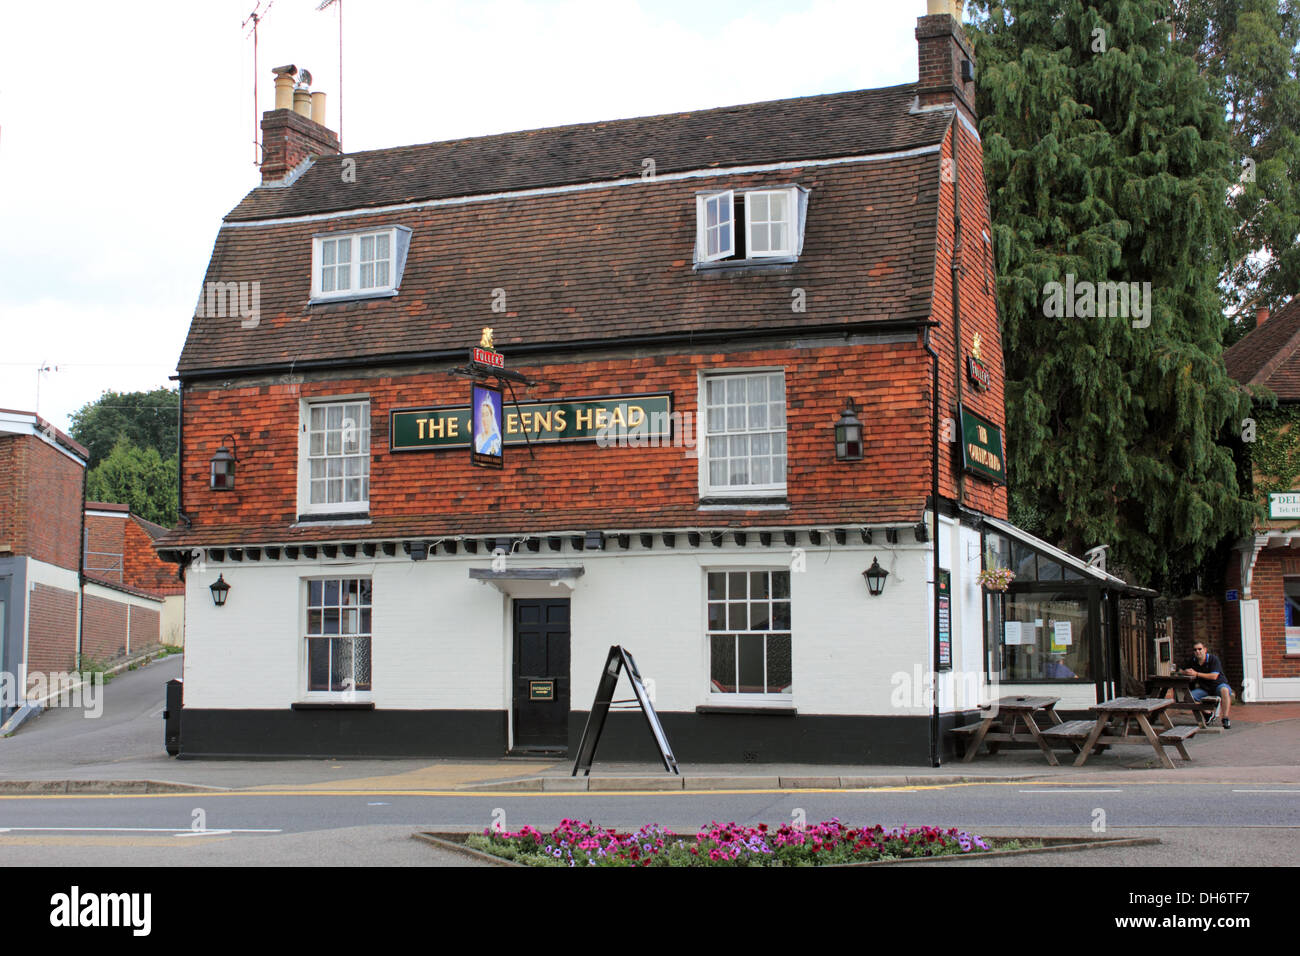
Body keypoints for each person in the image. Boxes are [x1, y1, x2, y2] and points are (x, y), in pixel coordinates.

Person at [1181, 641, 1232, 729]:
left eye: (1200, 649)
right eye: (1195, 650)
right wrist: (1185, 672)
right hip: (1204, 689)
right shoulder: (1193, 661)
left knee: (1225, 690)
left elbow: (1214, 676)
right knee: (1188, 697)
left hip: (1218, 685)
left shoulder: (1213, 659)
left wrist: (1196, 674)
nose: (1197, 651)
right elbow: (1181, 670)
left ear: (1205, 650)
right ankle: (1208, 713)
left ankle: (1225, 718)